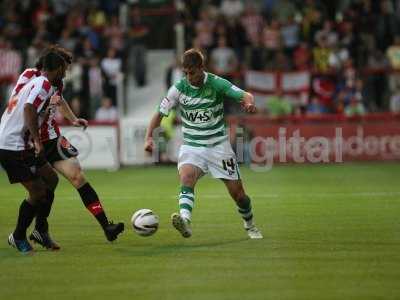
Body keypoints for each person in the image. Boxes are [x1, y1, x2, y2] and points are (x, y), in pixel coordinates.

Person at [144, 49, 263, 239]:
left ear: (201, 68)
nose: (189, 77)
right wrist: (149, 137)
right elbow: (159, 114)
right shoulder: (178, 89)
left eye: (192, 72)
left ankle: (250, 224)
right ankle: (185, 221)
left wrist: (248, 104)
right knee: (187, 178)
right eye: (186, 73)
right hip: (192, 146)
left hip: (219, 148)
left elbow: (245, 95)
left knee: (239, 195)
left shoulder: (216, 83)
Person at [15, 46, 124, 250]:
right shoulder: (31, 76)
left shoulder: (57, 82)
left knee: (78, 177)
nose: (65, 73)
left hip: (53, 138)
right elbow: (22, 104)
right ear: (54, 65)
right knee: (44, 186)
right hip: (32, 140)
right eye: (64, 68)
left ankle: (106, 226)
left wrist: (73, 119)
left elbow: (60, 100)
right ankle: (36, 230)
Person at [0, 51, 66, 253]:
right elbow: (28, 109)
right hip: (11, 145)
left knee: (51, 180)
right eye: (64, 70)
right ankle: (18, 236)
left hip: (20, 142)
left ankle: (40, 231)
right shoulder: (44, 84)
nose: (65, 74)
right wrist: (38, 141)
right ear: (57, 69)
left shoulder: (35, 82)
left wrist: (43, 115)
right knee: (37, 191)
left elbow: (29, 109)